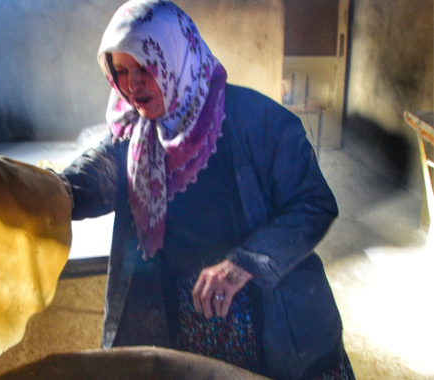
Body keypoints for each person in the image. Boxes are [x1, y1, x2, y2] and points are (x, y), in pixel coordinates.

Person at [61, 1, 355, 379]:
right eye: (121, 72)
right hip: (186, 318)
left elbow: (313, 203)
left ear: (177, 58)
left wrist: (242, 265)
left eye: (145, 68)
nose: (132, 86)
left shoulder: (259, 123)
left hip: (268, 315)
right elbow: (98, 175)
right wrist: (49, 191)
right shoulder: (136, 133)